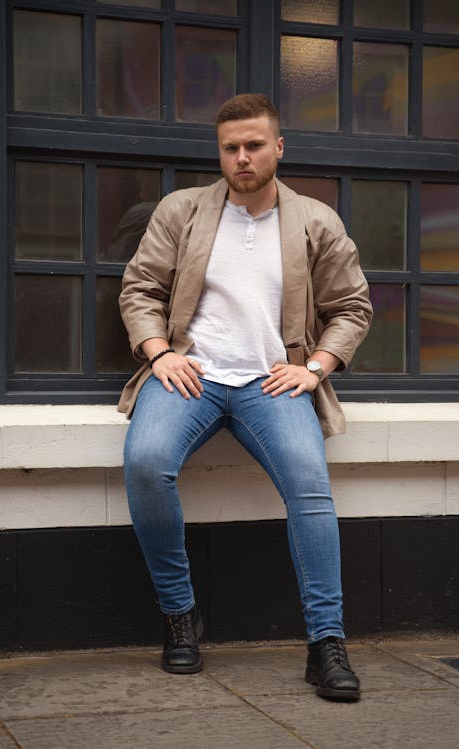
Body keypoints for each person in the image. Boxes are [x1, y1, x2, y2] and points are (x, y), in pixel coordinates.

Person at [119, 93, 372, 702]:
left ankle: (326, 644)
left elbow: (353, 307)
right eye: (230, 147)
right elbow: (139, 288)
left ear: (278, 147)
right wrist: (160, 353)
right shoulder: (181, 211)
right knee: (146, 464)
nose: (242, 157)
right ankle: (181, 617)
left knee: (310, 485)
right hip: (191, 376)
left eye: (254, 145)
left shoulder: (315, 219)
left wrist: (314, 368)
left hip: (272, 381)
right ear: (220, 152)